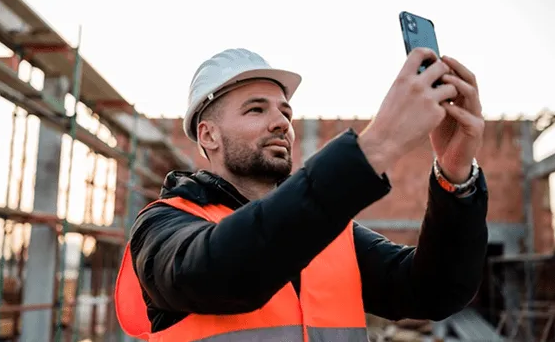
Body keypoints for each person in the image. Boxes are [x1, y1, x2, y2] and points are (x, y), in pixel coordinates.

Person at [114, 47, 489, 342]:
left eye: (285, 112)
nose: (281, 122)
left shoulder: (331, 233)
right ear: (209, 135)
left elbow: (434, 291)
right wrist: (375, 147)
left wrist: (455, 176)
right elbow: (222, 273)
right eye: (256, 109)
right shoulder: (164, 224)